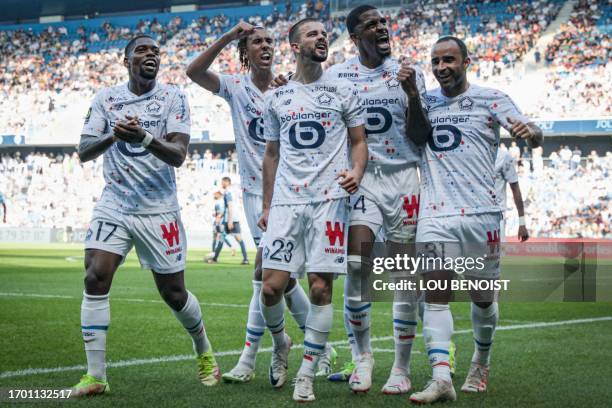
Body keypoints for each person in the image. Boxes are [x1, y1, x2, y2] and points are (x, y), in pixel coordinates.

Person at [71, 34, 220, 396]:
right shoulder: (106, 99)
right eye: (142, 50)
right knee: (95, 277)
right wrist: (113, 138)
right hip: (115, 203)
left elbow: (178, 154)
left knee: (174, 293)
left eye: (156, 50)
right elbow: (84, 150)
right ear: (127, 61)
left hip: (158, 208)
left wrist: (143, 138)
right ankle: (96, 376)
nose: (151, 54)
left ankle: (204, 350)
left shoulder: (173, 97)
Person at [186, 22, 326, 383]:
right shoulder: (235, 87)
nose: (265, 46)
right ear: (245, 53)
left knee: (266, 273)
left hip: (290, 194)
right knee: (283, 280)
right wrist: (230, 36)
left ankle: (252, 356)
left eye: (269, 41)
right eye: (256, 42)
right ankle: (314, 348)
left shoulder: (288, 89)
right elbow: (194, 71)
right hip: (254, 195)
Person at [407, 36, 542, 404]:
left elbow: (535, 134)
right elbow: (415, 136)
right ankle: (441, 378)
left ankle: (481, 361)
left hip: (482, 215)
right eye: (435, 62)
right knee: (435, 294)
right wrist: (413, 97)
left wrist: (531, 134)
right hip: (435, 212)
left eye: (449, 60)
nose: (441, 68)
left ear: (467, 61)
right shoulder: (423, 102)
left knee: (483, 298)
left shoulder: (492, 98)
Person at [258, 18, 368, 402]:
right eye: (312, 34)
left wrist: (356, 171)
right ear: (295, 46)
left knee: (320, 288)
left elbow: (358, 141)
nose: (321, 38)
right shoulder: (277, 97)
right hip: (287, 202)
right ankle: (280, 344)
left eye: (324, 34)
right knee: (270, 288)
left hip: (329, 202)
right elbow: (271, 154)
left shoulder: (342, 89)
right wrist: (267, 204)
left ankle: (306, 373)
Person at [323, 5, 430, 395]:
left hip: (404, 179)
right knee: (356, 267)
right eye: (372, 25)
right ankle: (363, 358)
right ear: (355, 37)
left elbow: (421, 136)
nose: (382, 28)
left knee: (405, 274)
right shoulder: (336, 76)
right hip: (362, 179)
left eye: (384, 23)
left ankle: (401, 368)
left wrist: (413, 93)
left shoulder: (405, 71)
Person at [207, 176, 249, 264]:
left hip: (231, 219)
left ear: (227, 182)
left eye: (223, 182)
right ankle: (215, 259)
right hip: (231, 218)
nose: (221, 184)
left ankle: (245, 259)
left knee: (237, 238)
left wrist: (230, 221)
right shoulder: (232, 192)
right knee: (222, 237)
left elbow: (230, 206)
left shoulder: (228, 192)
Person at [495, 148, 529, 242]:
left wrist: (522, 222)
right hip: (473, 219)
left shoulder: (503, 156)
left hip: (497, 218)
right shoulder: (472, 154)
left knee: (495, 256)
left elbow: (515, 189)